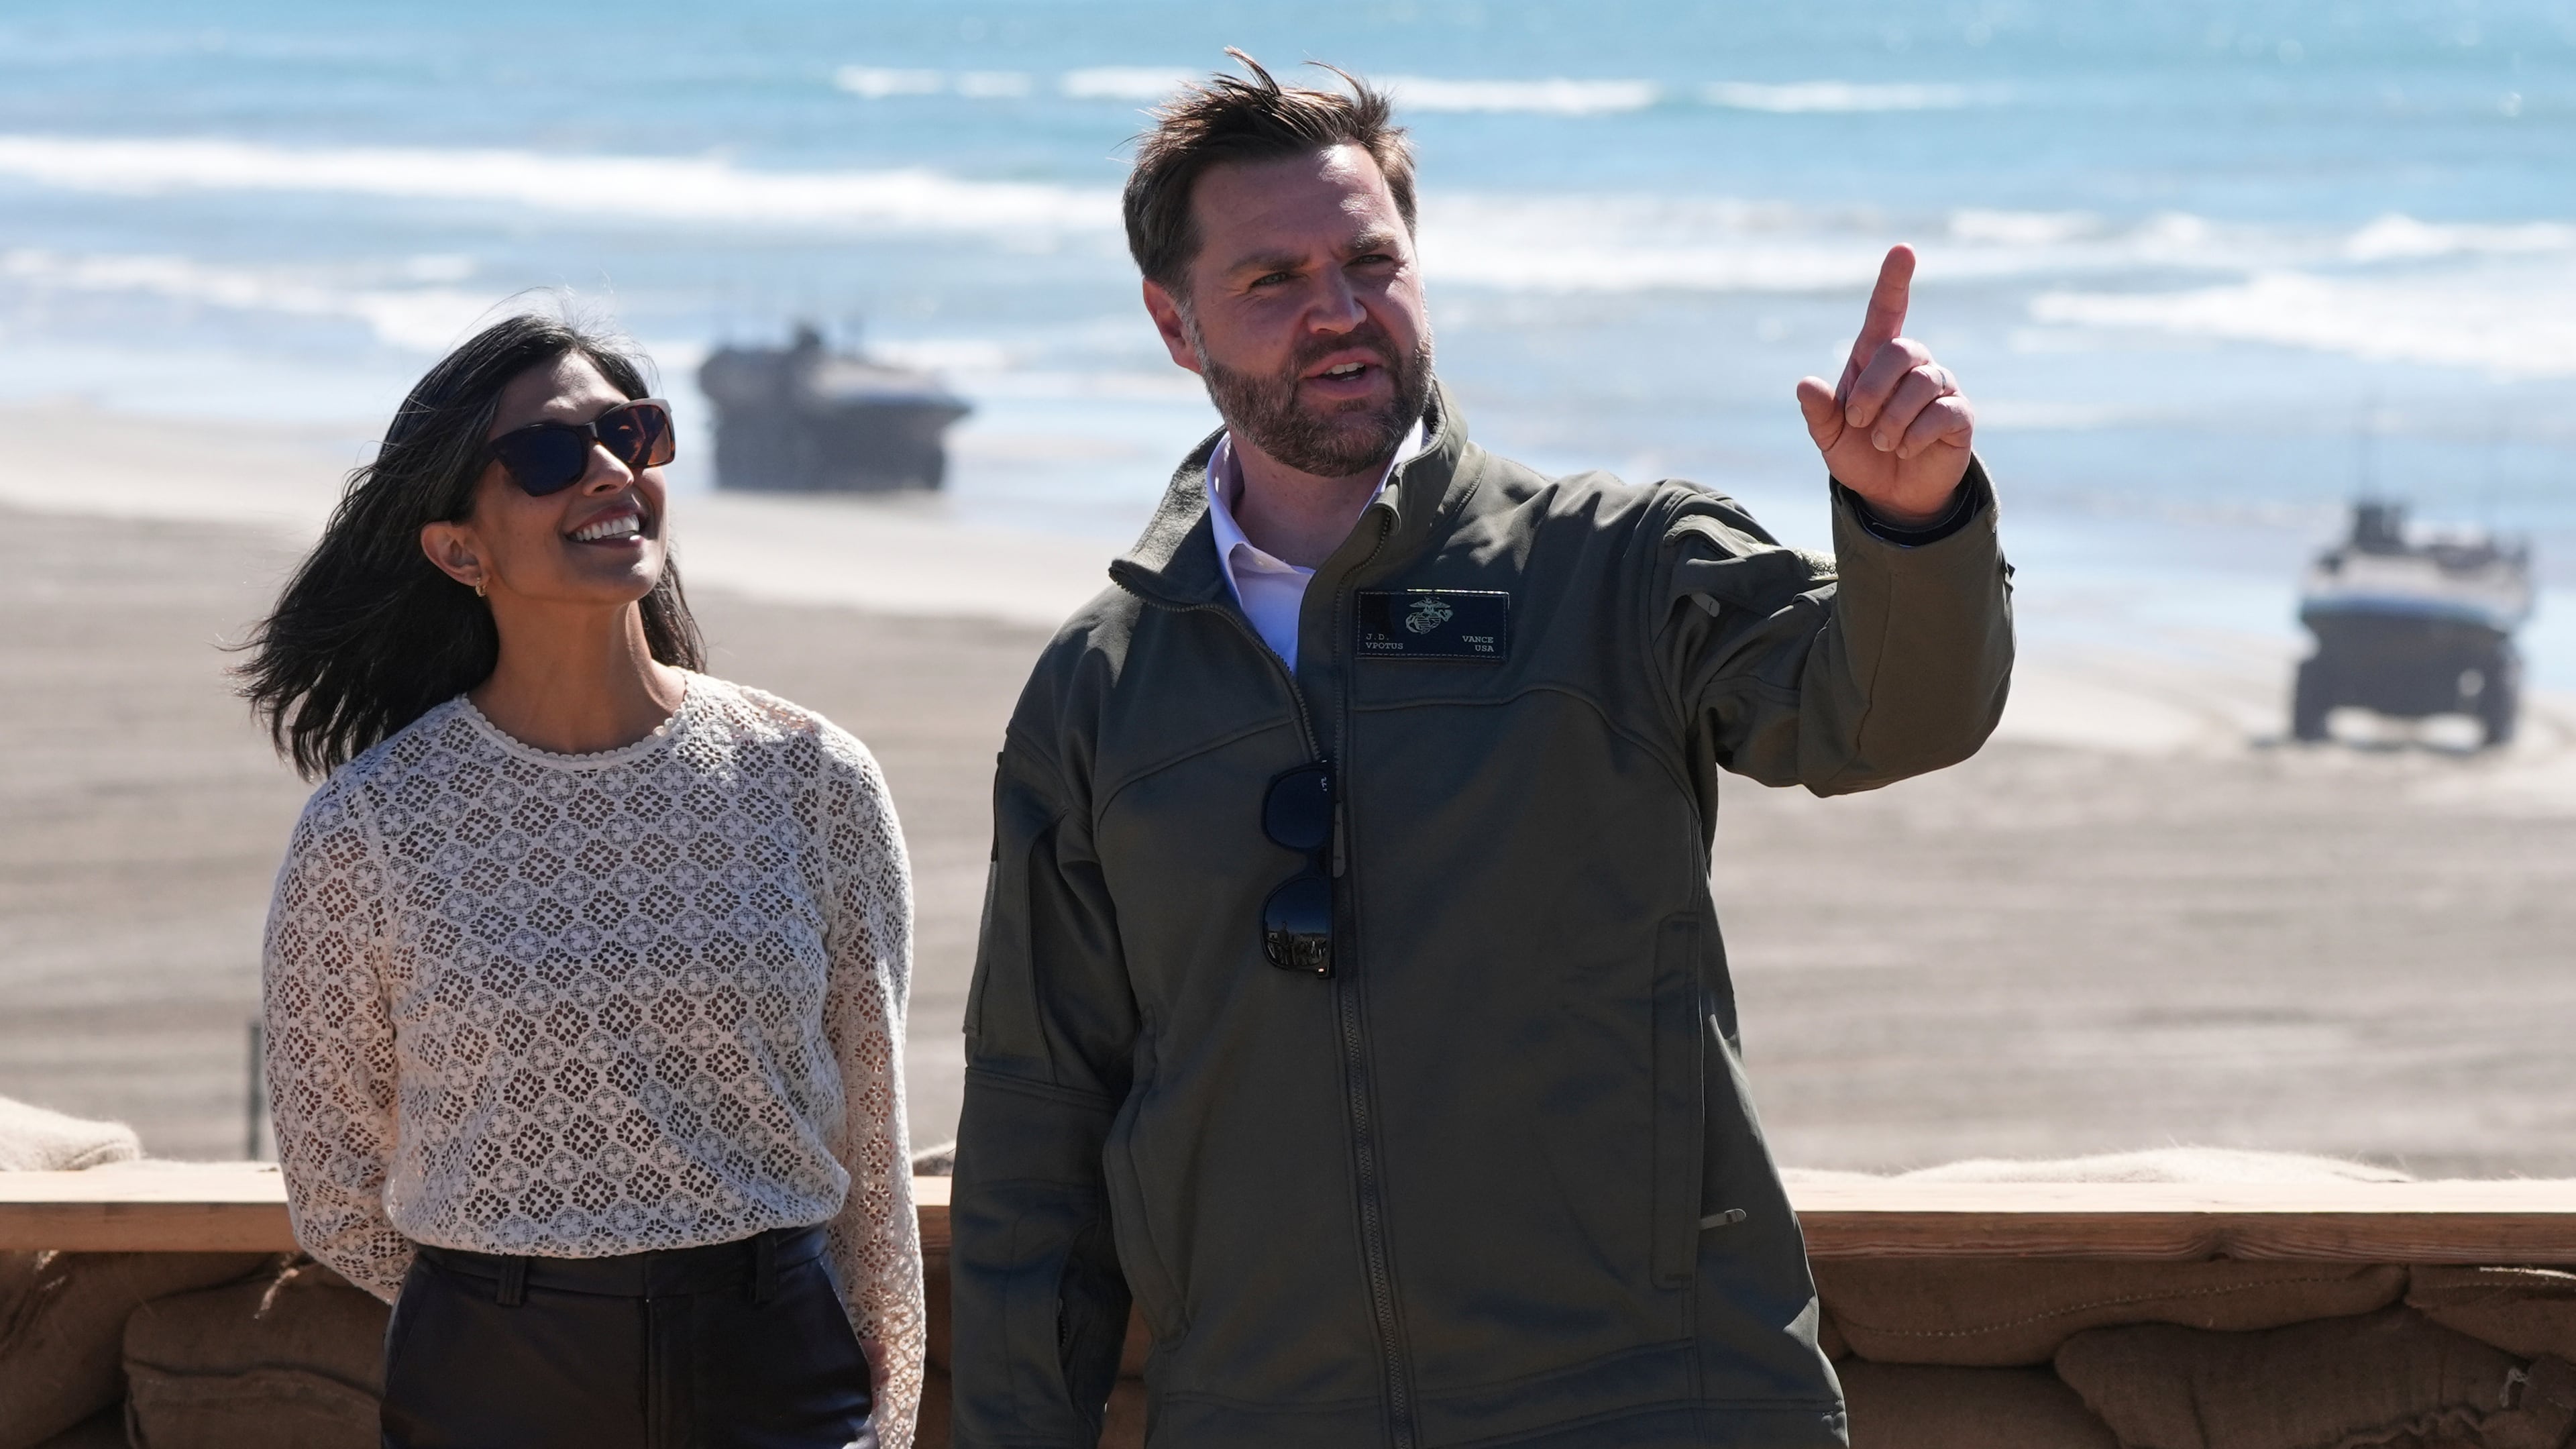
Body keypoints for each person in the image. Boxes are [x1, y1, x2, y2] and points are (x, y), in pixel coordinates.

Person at [949, 54, 2012, 1448]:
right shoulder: (1102, 685)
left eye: (1371, 262)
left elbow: (1885, 714)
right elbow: (1038, 1126)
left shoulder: (1616, 565)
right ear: (1174, 320)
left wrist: (1914, 527)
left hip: (1656, 1407)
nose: (1339, 315)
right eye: (1272, 281)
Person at [243, 313, 923, 1448]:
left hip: (775, 1372)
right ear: (462, 549)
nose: (610, 471)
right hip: (496, 1386)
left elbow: (871, 1130)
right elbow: (334, 1179)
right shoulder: (370, 826)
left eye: (630, 433)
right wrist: (512, 1299)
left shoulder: (811, 778)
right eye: (550, 454)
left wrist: (885, 1404)